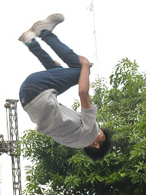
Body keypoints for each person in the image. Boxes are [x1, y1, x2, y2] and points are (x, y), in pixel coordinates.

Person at [18, 13, 113, 160]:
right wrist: (57, 70)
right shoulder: (71, 141)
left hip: (38, 89)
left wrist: (86, 67)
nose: (98, 129)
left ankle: (44, 31)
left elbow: (83, 92)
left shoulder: (90, 133)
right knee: (62, 71)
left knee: (80, 71)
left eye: (100, 134)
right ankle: (30, 41)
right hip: (28, 96)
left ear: (96, 145)